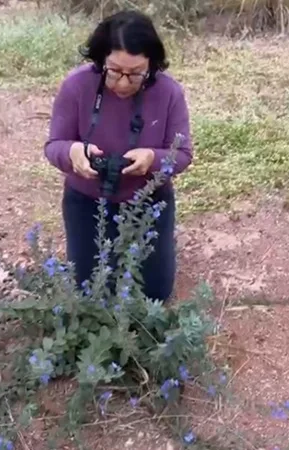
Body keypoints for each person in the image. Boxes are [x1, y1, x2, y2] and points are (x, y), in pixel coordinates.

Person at [43, 10, 193, 302]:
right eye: (114, 71)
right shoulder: (76, 86)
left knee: (154, 294)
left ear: (152, 65)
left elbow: (183, 155)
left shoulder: (169, 92)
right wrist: (73, 152)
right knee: (90, 291)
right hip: (86, 201)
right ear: (100, 60)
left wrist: (152, 158)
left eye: (136, 73)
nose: (123, 83)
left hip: (149, 201)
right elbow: (54, 145)